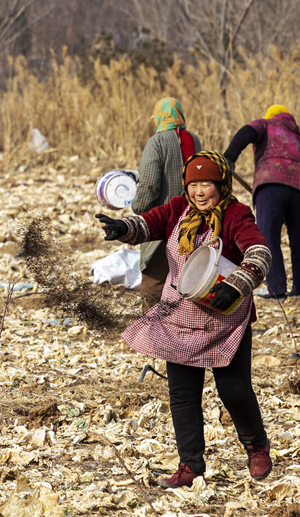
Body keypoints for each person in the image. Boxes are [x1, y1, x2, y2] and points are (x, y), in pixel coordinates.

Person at [96, 151, 273, 488]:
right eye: (193, 184)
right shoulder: (178, 209)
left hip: (225, 317)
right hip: (179, 317)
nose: (199, 191)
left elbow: (259, 252)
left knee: (233, 391)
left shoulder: (236, 214)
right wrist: (123, 227)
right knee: (182, 394)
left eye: (207, 184)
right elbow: (148, 223)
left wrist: (237, 283)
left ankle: (256, 446)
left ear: (220, 185)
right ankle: (190, 465)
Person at [223, 105, 300, 298]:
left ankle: (277, 290)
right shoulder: (298, 139)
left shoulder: (267, 124)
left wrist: (229, 158)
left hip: (271, 184)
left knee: (269, 236)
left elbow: (246, 132)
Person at [131, 97, 202, 311]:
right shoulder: (194, 140)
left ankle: (152, 329)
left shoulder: (157, 143)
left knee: (154, 277)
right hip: (193, 219)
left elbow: (150, 184)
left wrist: (139, 208)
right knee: (185, 276)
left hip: (165, 221)